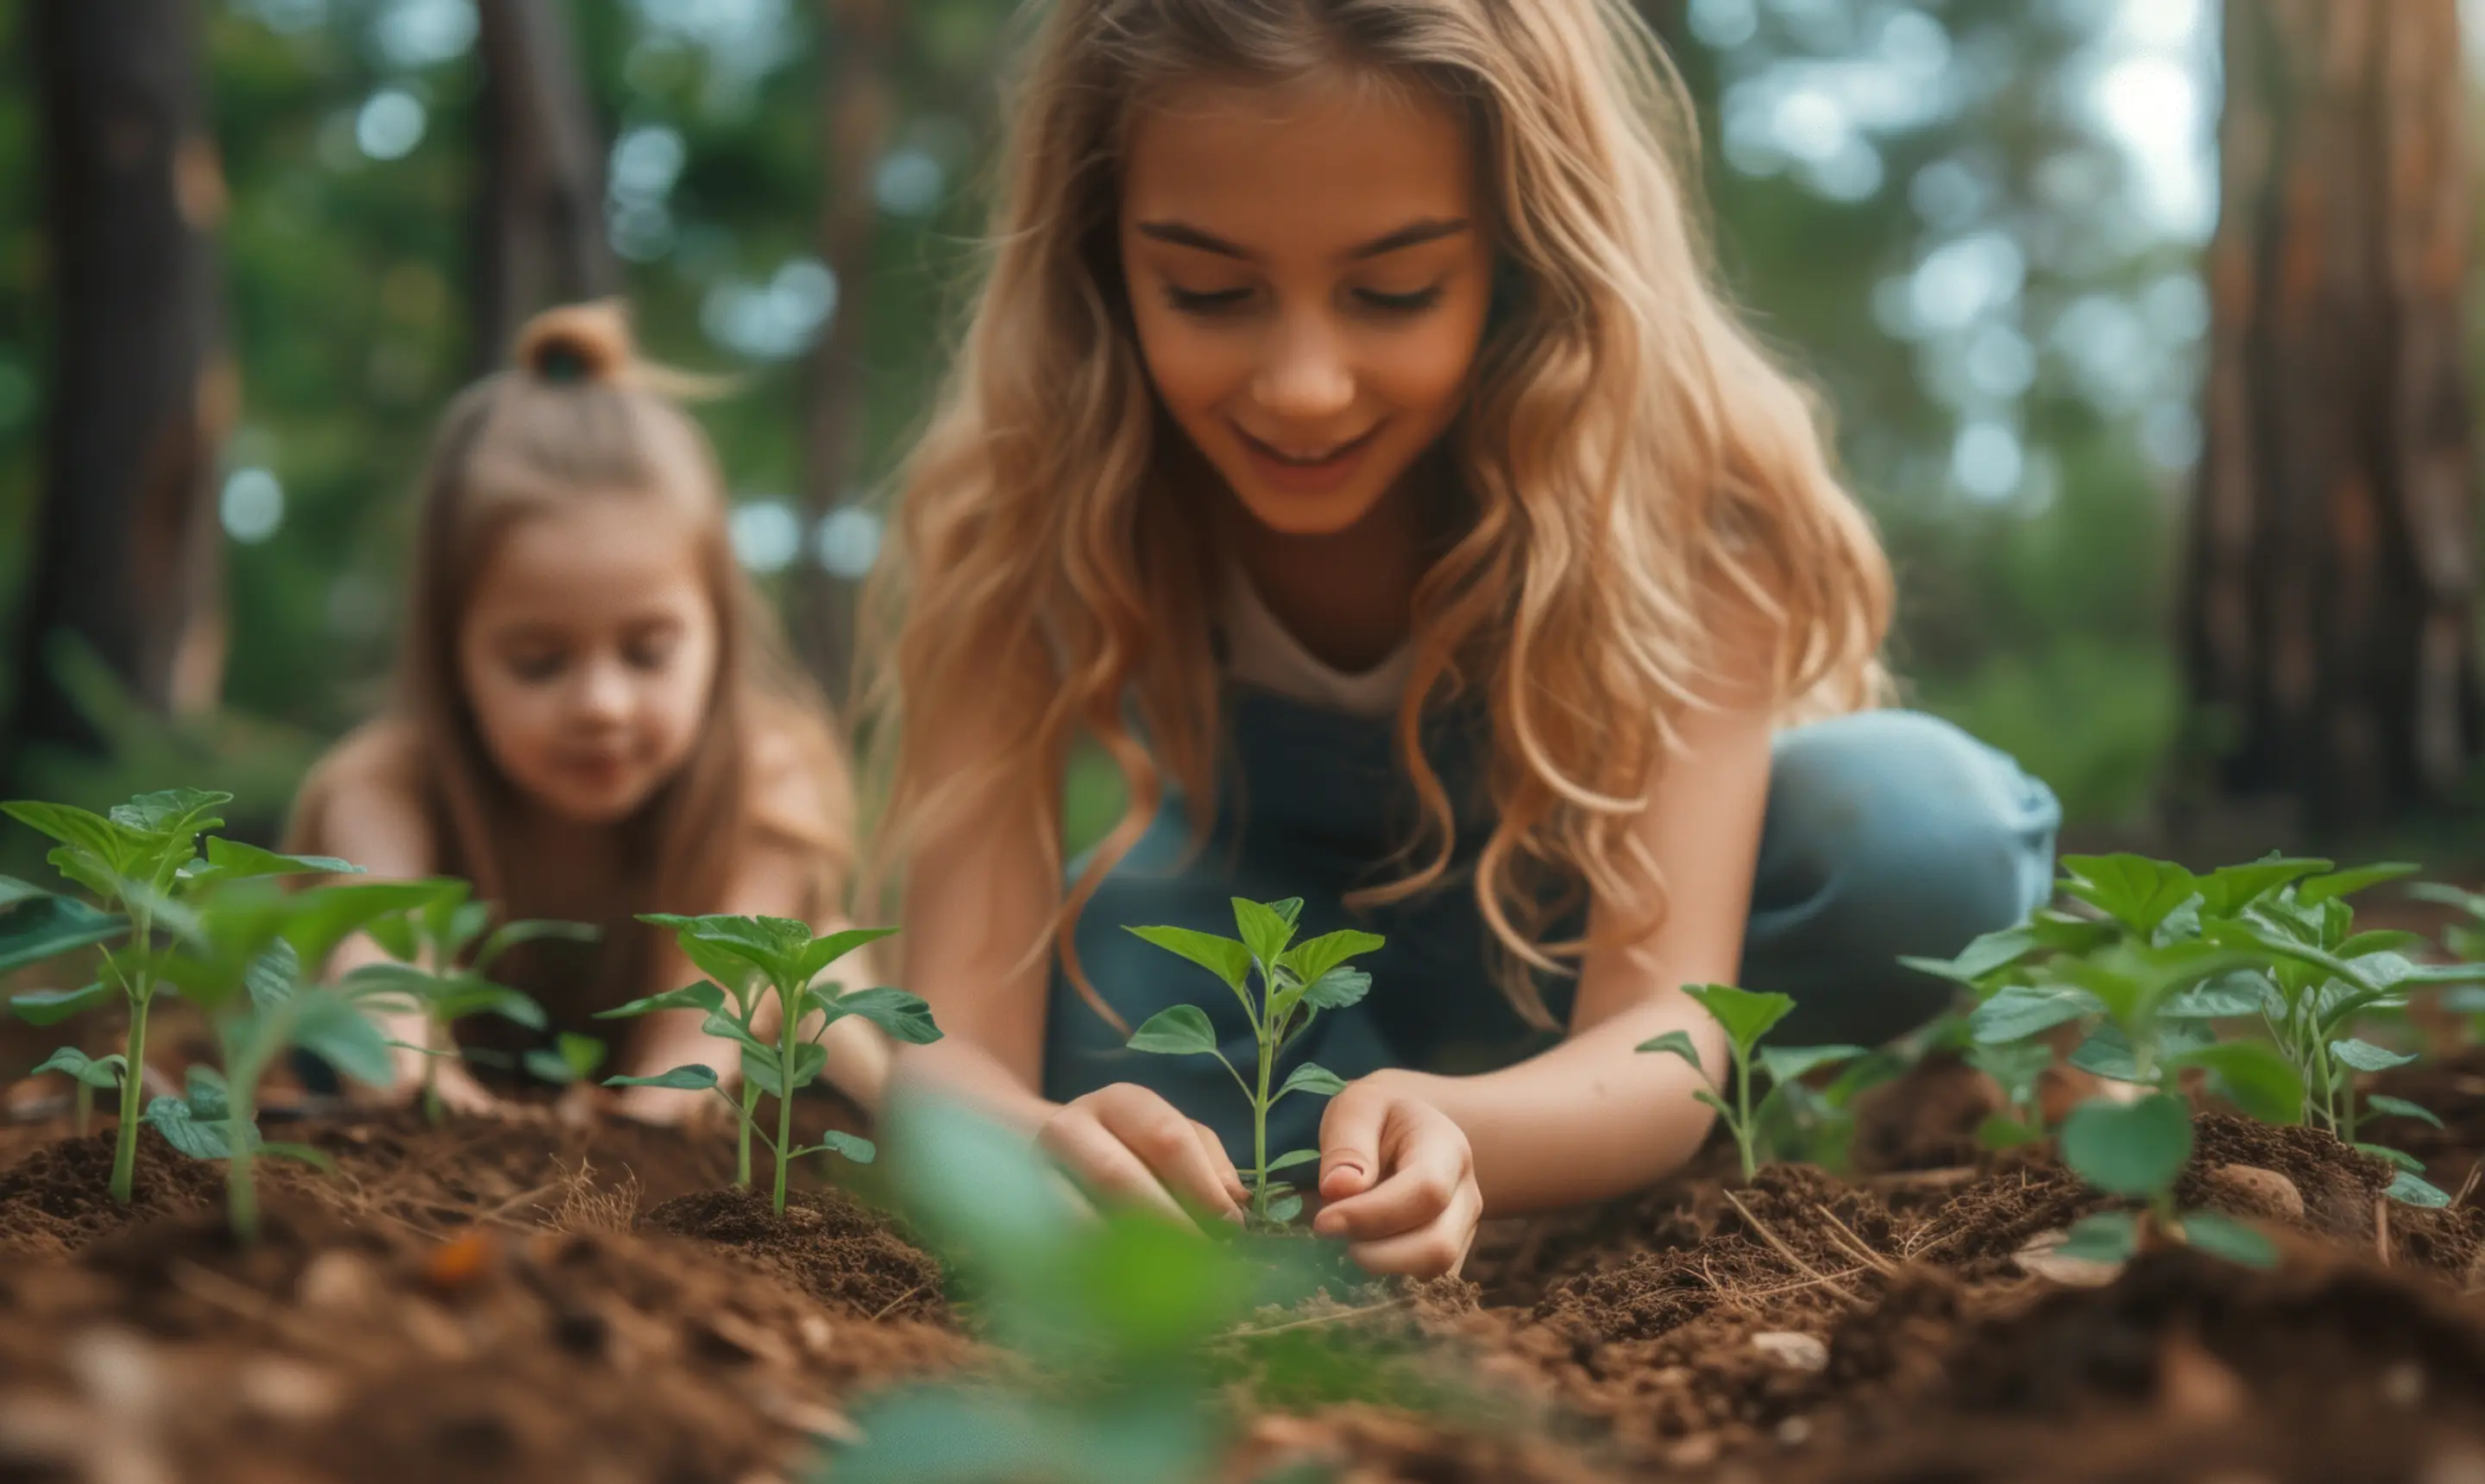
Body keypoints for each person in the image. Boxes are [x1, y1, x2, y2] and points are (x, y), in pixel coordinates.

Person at [862, 0, 2060, 1278]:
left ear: (1524, 253)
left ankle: (1605, 1140)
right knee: (1119, 992)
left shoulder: (1689, 487)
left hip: (1593, 957)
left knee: (1919, 838)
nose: (1305, 387)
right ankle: (1384, 1171)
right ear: (1101, 257)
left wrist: (1468, 1130)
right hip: (1267, 980)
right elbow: (953, 1050)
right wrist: (1040, 1142)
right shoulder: (1029, 500)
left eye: (1395, 291)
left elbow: (1663, 1025)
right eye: (1209, 292)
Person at [285, 301, 888, 1123]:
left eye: (648, 652)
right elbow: (382, 1011)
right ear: (451, 653)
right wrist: (436, 1100)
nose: (601, 705)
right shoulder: (387, 784)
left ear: (719, 633)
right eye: (538, 663)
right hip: (465, 1110)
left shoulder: (766, 788)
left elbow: (689, 1064)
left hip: (718, 1102)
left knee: (834, 1006)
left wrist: (590, 1144)